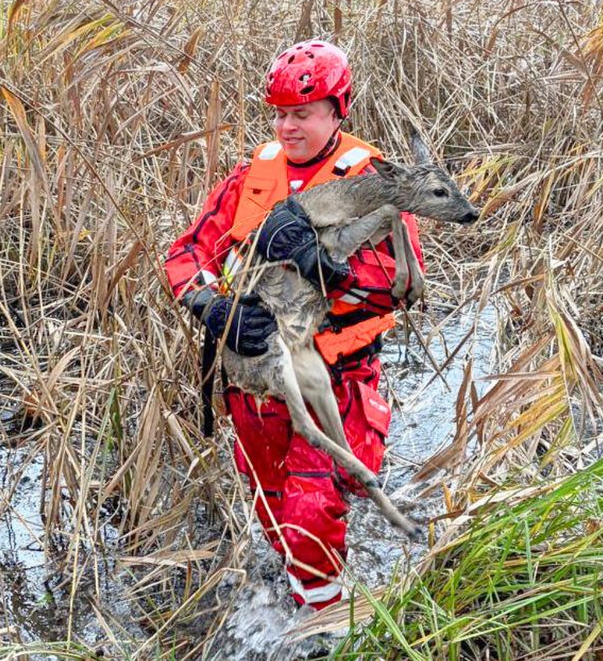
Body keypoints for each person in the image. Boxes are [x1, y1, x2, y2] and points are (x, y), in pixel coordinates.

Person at [164, 40, 425, 610]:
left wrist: (322, 268)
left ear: (338, 111)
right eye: (279, 113)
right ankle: (308, 593)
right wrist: (214, 309)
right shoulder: (251, 176)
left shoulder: (373, 180)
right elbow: (185, 256)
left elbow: (401, 286)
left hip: (334, 379)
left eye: (301, 114)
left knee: (311, 511)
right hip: (255, 384)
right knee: (273, 508)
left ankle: (325, 624)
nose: (287, 126)